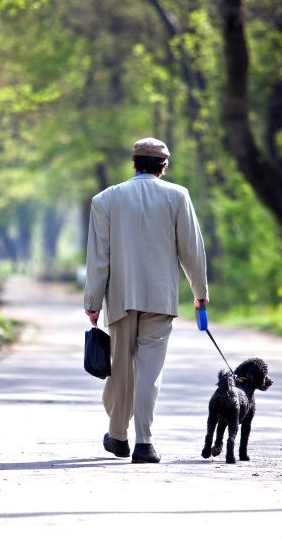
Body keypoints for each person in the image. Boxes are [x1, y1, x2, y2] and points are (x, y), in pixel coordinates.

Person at [83, 138, 208, 464]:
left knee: (121, 370)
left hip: (121, 297)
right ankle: (145, 443)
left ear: (134, 162)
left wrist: (93, 299)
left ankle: (120, 438)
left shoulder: (106, 199)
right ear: (163, 166)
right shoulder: (177, 196)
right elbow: (191, 251)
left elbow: (99, 258)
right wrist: (200, 293)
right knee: (149, 373)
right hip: (160, 297)